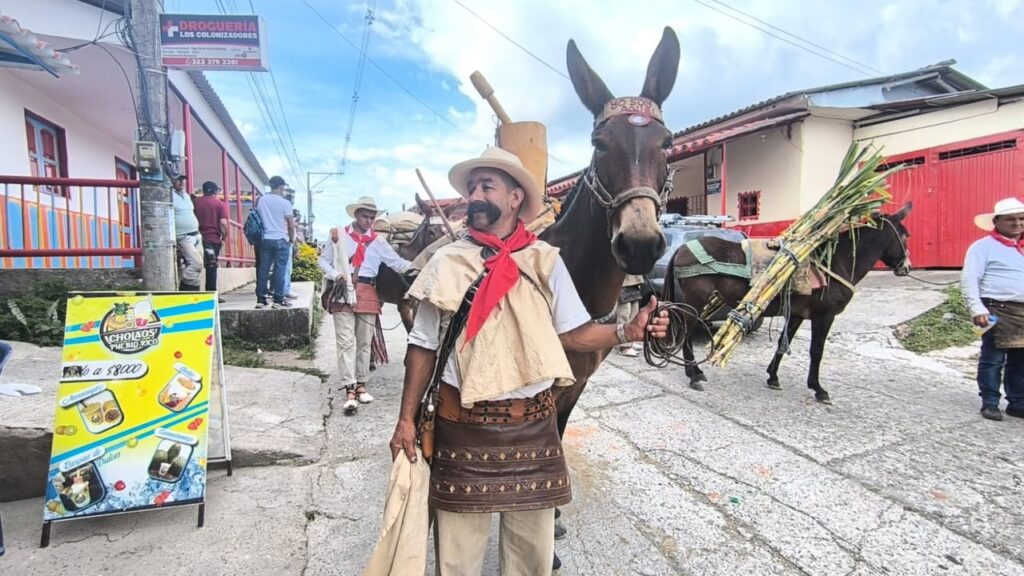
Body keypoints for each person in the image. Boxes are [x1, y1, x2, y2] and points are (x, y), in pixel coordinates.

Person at [389, 147, 669, 575]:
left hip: (535, 431)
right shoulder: (447, 261)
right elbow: (423, 345)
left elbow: (573, 334)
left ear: (516, 198)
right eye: (471, 188)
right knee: (457, 561)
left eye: (487, 186)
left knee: (531, 562)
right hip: (462, 430)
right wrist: (406, 419)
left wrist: (624, 332)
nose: (474, 196)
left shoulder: (545, 262)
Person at [319, 195, 411, 413]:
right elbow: (322, 259)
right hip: (343, 290)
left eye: (372, 217)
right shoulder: (338, 236)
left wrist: (424, 265)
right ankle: (349, 388)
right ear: (356, 215)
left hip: (368, 292)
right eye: (364, 216)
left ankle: (361, 385)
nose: (368, 220)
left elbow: (397, 263)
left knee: (363, 342)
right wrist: (335, 274)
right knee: (345, 342)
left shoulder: (378, 242)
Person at [961, 197, 1024, 421]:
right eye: (1010, 219)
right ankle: (990, 402)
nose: (1017, 223)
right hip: (995, 309)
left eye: (1021, 219)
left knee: (1020, 360)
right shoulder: (982, 247)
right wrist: (976, 308)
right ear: (997, 221)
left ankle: (1017, 403)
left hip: (1022, 312)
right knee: (993, 358)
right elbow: (969, 279)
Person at [255, 176, 296, 309]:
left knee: (263, 269)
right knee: (280, 269)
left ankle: (261, 299)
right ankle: (278, 300)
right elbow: (291, 224)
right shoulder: (285, 203)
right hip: (281, 238)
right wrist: (291, 239)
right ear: (281, 187)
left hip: (265, 238)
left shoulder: (261, 201)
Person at [192, 181, 230, 300]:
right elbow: (223, 223)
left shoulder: (195, 203)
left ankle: (192, 293)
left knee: (193, 264)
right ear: (215, 191)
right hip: (212, 239)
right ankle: (211, 295)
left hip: (195, 238)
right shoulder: (220, 204)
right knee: (211, 267)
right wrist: (224, 238)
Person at [172, 174, 203, 291]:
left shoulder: (187, 196)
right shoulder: (168, 195)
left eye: (182, 180)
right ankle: (185, 290)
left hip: (195, 234)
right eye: (177, 180)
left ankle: (193, 292)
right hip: (182, 236)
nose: (181, 182)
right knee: (196, 263)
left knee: (199, 266)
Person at [616, 274, 645, 357]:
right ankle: (624, 346)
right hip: (623, 281)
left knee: (634, 313)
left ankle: (631, 341)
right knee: (624, 314)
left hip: (634, 281)